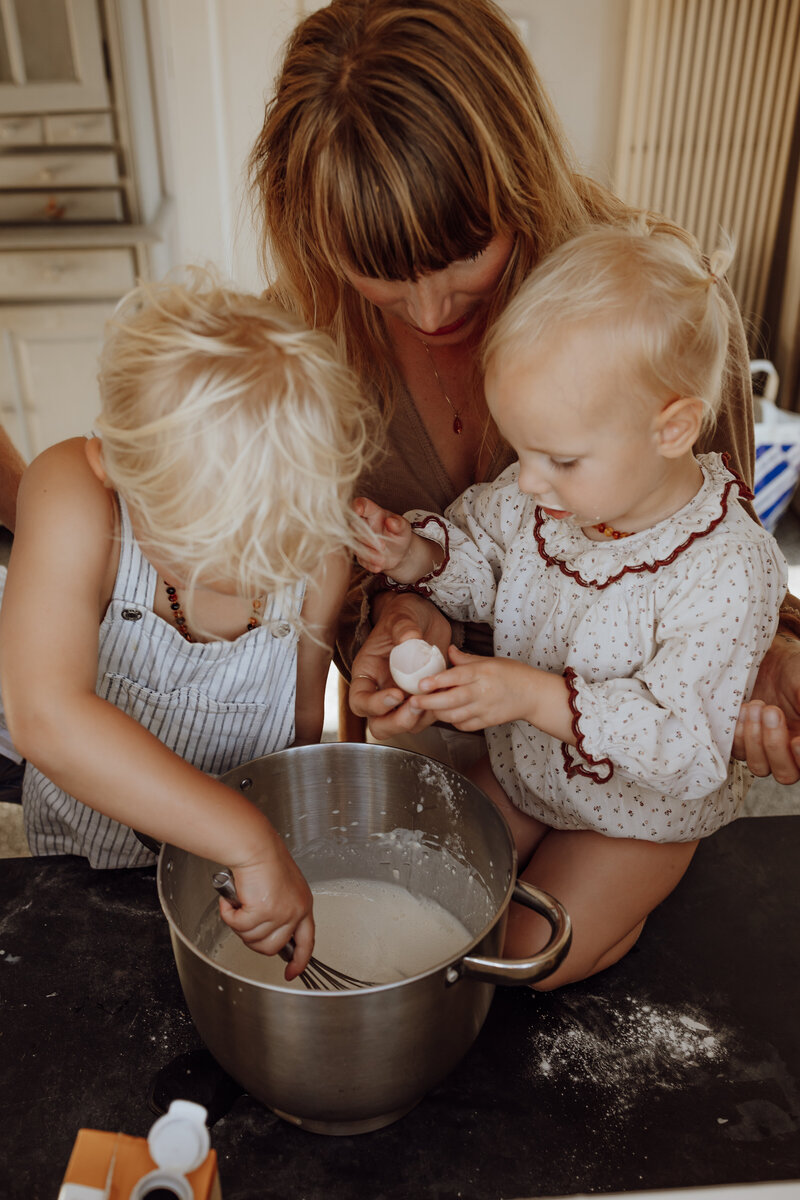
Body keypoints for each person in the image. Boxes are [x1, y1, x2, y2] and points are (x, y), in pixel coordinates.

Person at [248, 0, 800, 784]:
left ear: (521, 173)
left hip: (624, 778)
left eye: (466, 251)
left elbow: (713, 560)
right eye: (383, 275)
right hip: (439, 743)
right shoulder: (288, 349)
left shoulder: (659, 316)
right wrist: (394, 612)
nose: (434, 311)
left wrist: (769, 659)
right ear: (310, 232)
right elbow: (303, 590)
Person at [353, 221, 788, 988]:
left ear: (673, 427)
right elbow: (482, 557)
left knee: (522, 955)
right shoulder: (550, 501)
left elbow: (686, 749)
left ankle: (630, 909)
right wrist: (417, 556)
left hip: (636, 818)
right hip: (529, 773)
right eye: (522, 452)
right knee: (417, 873)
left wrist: (530, 693)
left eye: (558, 459)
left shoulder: (725, 567)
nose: (527, 483)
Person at [0, 271, 375, 976]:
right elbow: (45, 716)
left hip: (227, 885)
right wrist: (250, 841)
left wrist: (282, 851)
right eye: (210, 563)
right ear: (113, 464)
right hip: (87, 867)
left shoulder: (314, 541)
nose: (264, 579)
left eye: (283, 553)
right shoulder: (74, 497)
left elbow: (300, 722)